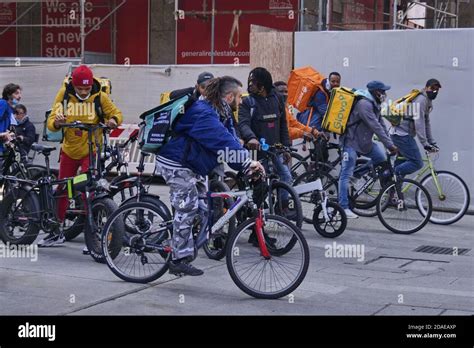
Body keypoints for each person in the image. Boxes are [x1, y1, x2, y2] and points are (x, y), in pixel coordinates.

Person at [156, 76, 264, 276]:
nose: (242, 102)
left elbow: (231, 139)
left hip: (194, 165)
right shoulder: (203, 113)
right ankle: (178, 258)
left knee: (205, 208)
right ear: (230, 96)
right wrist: (248, 163)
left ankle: (179, 242)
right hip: (176, 163)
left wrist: (248, 164)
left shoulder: (221, 112)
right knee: (187, 206)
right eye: (240, 97)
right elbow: (222, 142)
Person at [40, 65, 123, 247]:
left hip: (90, 150)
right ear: (74, 85)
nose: (84, 92)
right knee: (62, 189)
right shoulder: (64, 94)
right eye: (80, 89)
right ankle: (57, 230)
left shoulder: (100, 96)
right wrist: (57, 122)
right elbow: (51, 123)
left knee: (89, 190)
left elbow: (116, 114)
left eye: (86, 89)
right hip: (69, 150)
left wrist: (113, 121)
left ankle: (91, 234)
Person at [338, 80, 398, 219]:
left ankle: (357, 174)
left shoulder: (374, 104)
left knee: (381, 159)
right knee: (345, 174)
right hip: (351, 142)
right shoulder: (364, 104)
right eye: (383, 91)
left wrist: (390, 143)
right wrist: (389, 145)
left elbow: (381, 124)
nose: (385, 94)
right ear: (377, 92)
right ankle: (343, 207)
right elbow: (375, 127)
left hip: (365, 143)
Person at [238, 67, 292, 193]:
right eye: (249, 81)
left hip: (276, 149)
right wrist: (251, 137)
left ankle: (283, 208)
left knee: (286, 177)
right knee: (261, 183)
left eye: (254, 82)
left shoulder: (277, 99)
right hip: (257, 151)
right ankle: (261, 209)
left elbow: (283, 125)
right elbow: (243, 124)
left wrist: (286, 148)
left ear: (263, 84)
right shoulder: (248, 102)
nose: (250, 85)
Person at [390, 79, 442, 177]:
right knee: (417, 163)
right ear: (426, 88)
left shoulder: (427, 100)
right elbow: (419, 123)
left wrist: (432, 142)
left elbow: (426, 123)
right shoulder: (421, 100)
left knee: (403, 160)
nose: (434, 91)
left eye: (437, 90)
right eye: (432, 88)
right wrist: (425, 143)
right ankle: (390, 174)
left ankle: (393, 188)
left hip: (400, 133)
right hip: (402, 134)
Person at [0, 83, 21, 155]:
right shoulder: (3, 103)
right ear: (9, 95)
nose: (19, 96)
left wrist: (8, 133)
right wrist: (2, 134)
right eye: (16, 93)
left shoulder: (10, 108)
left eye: (20, 93)